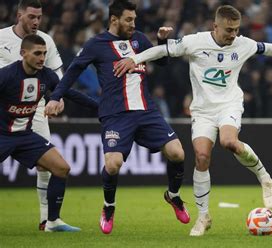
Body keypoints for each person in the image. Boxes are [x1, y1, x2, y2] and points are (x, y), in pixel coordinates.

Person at [113, 5, 272, 236]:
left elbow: (269, 48)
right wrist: (134, 59)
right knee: (202, 157)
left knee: (229, 142)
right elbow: (161, 51)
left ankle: (264, 177)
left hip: (229, 105)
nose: (233, 34)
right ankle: (203, 217)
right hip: (203, 111)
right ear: (215, 26)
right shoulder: (195, 42)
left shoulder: (242, 44)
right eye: (228, 30)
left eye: (236, 29)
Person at [44, 0, 189, 235]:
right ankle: (109, 207)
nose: (133, 24)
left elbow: (162, 61)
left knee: (177, 153)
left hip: (146, 111)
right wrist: (55, 96)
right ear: (114, 20)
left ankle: (173, 196)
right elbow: (73, 71)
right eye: (128, 20)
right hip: (115, 115)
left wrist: (162, 41)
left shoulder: (139, 39)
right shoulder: (96, 44)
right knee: (113, 164)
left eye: (134, 19)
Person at [0, 34, 97, 232]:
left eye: (44, 53)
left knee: (61, 168)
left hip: (25, 136)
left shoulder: (46, 75)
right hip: (2, 135)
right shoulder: (6, 75)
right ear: (23, 54)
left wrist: (101, 107)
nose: (42, 58)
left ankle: (52, 222)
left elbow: (70, 93)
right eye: (37, 53)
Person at [0, 0, 67, 231]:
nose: (36, 21)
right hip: (4, 112)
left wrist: (58, 98)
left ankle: (47, 220)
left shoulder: (45, 41)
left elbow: (57, 74)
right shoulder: (1, 38)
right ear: (19, 15)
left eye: (39, 17)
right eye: (31, 17)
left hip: (35, 108)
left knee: (47, 165)